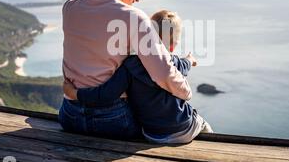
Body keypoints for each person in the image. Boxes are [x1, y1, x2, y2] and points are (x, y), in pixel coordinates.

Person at [59, 0, 192, 140]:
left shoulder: (70, 7)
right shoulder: (133, 17)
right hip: (112, 120)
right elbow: (163, 73)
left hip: (69, 115)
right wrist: (186, 92)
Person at [64, 10, 213, 144]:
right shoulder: (171, 62)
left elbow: (105, 94)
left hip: (152, 134)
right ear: (172, 46)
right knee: (203, 124)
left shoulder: (129, 65)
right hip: (183, 127)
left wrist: (75, 93)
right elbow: (183, 65)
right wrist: (190, 59)